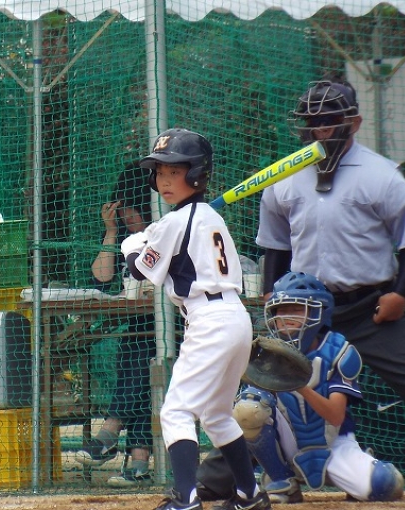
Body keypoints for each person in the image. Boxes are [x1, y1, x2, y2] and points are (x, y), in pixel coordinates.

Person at [196, 74, 405, 495]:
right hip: (302, 314)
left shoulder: (383, 175)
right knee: (260, 389)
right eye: (311, 123)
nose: (319, 130)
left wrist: (400, 293)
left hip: (372, 307)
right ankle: (216, 481)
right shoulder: (284, 177)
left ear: (354, 123)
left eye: (329, 122)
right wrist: (271, 293)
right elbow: (275, 246)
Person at [122, 128, 271, 510]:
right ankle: (250, 495)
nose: (164, 180)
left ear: (196, 174)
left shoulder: (176, 222)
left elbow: (140, 271)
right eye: (160, 172)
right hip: (234, 319)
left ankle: (186, 499)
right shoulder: (208, 216)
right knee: (216, 415)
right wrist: (152, 237)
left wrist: (132, 244)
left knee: (176, 411)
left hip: (210, 321)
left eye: (174, 171)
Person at [234, 271, 404, 504]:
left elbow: (335, 416)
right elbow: (248, 412)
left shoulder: (338, 351)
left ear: (318, 312)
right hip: (288, 442)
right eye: (280, 310)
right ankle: (280, 480)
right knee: (248, 406)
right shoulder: (266, 353)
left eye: (295, 309)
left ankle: (358, 467)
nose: (285, 317)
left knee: (385, 484)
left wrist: (299, 385)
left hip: (334, 444)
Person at [75, 167, 157, 488]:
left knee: (141, 357)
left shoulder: (165, 234)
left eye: (131, 211)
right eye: (121, 212)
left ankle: (110, 432)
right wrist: (111, 233)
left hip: (177, 326)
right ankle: (139, 465)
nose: (126, 218)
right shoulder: (126, 239)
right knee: (139, 360)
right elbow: (101, 278)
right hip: (139, 325)